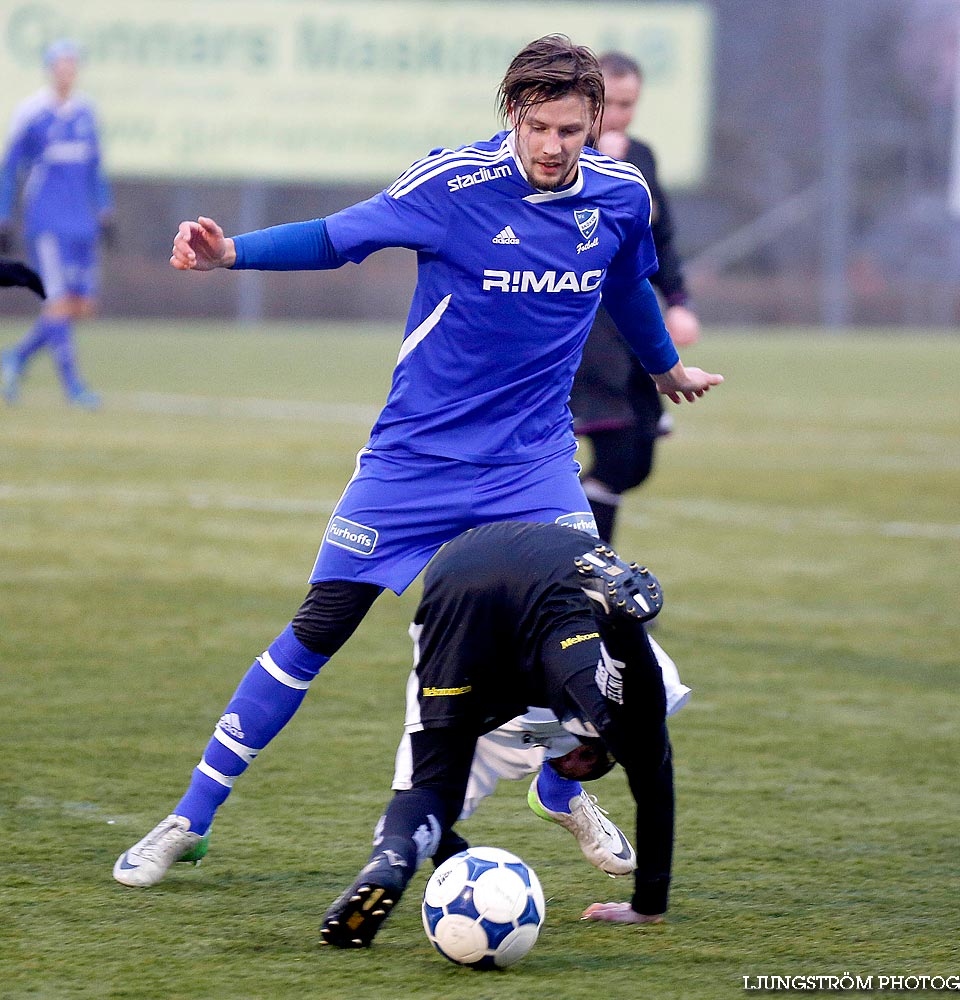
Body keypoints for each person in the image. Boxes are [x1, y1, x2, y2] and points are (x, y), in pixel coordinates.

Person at [113, 34, 721, 890]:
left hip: (531, 463)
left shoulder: (621, 198)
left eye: (574, 130)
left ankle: (557, 786)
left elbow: (627, 285)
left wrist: (664, 368)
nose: (556, 147)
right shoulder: (453, 187)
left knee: (595, 630)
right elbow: (336, 238)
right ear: (512, 114)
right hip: (414, 462)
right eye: (541, 126)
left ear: (596, 125)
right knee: (316, 633)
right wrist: (229, 254)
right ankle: (189, 818)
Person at [320, 520, 677, 948]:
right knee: (634, 735)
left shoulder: (522, 726)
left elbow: (438, 807)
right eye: (584, 762)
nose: (569, 761)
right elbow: (654, 780)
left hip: (460, 576)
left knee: (431, 787)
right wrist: (649, 903)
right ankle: (620, 632)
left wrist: (452, 859)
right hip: (557, 589)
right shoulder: (592, 710)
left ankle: (388, 862)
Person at [401, 625, 690, 878]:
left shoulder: (648, 680)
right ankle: (560, 788)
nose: (569, 753)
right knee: (423, 794)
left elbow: (655, 771)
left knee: (420, 800)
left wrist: (649, 902)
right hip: (490, 653)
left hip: (529, 671)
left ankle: (559, 789)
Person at [569, 51, 701, 544]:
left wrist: (679, 300)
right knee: (617, 449)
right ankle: (584, 586)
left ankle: (581, 572)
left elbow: (659, 237)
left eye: (630, 105)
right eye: (612, 103)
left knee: (636, 458)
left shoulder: (640, 157)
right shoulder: (561, 156)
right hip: (583, 324)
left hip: (633, 323)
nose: (621, 116)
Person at [0, 39, 113, 409]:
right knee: (58, 302)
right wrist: (4, 216)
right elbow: (10, 169)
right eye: (60, 65)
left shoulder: (85, 114)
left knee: (80, 306)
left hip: (82, 224)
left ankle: (15, 357)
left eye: (71, 65)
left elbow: (96, 168)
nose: (66, 71)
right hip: (47, 223)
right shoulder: (32, 114)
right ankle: (73, 387)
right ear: (51, 70)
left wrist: (105, 211)